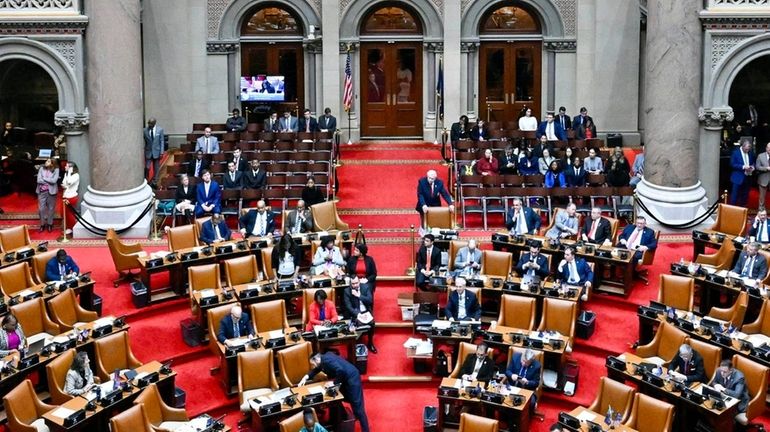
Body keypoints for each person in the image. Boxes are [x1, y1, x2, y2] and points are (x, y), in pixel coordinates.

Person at [301, 352, 370, 432]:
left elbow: (341, 370)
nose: (313, 366)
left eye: (313, 364)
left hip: (352, 379)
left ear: (316, 359)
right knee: (335, 397)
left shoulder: (326, 361)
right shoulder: (323, 358)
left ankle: (366, 430)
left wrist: (334, 384)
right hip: (344, 379)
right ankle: (341, 417)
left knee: (358, 409)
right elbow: (316, 369)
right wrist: (306, 377)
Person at [344, 276, 376, 353]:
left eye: (356, 283)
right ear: (350, 283)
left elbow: (370, 300)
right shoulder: (347, 291)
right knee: (359, 323)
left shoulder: (365, 287)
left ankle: (370, 342)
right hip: (356, 313)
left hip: (366, 311)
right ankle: (356, 342)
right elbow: (348, 307)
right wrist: (358, 314)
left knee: (372, 323)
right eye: (353, 284)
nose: (355, 285)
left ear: (359, 282)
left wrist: (359, 296)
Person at [36, 158, 59, 233]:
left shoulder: (56, 170)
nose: (46, 162)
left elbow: (54, 181)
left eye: (48, 161)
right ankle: (42, 224)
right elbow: (38, 180)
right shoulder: (41, 168)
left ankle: (50, 224)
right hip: (41, 191)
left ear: (52, 164)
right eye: (47, 160)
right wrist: (49, 180)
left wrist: (44, 178)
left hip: (51, 192)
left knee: (51, 209)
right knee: (41, 209)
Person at [731, 140, 756, 206]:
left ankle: (743, 210)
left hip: (747, 177)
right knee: (734, 196)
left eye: (748, 149)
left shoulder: (750, 153)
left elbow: (752, 162)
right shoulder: (735, 153)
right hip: (737, 178)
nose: (747, 150)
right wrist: (743, 167)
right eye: (746, 149)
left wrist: (753, 167)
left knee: (745, 196)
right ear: (742, 146)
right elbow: (732, 164)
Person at [143, 118, 164, 186]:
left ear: (154, 123)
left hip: (157, 152)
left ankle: (154, 182)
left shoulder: (160, 130)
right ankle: (146, 179)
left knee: (156, 168)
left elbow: (162, 141)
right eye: (148, 123)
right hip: (148, 152)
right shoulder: (144, 130)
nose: (149, 124)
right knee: (147, 167)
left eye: (150, 123)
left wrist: (161, 152)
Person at [61, 161, 79, 234]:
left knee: (69, 214)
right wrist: (67, 174)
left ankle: (72, 228)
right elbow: (63, 183)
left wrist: (68, 173)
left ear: (71, 168)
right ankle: (69, 227)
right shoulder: (66, 174)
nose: (65, 167)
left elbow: (68, 183)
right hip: (65, 196)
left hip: (71, 197)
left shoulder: (76, 175)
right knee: (63, 213)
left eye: (67, 166)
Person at [756, 142, 770, 210]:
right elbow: (757, 167)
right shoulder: (760, 156)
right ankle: (761, 212)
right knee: (762, 198)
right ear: (766, 148)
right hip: (763, 179)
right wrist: (766, 168)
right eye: (769, 149)